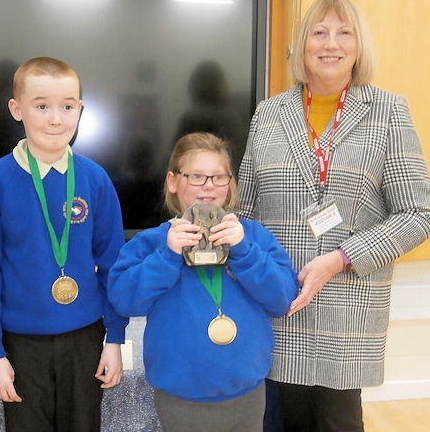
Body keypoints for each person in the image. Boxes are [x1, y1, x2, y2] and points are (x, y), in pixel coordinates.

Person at [237, 0, 430, 431]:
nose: (331, 43)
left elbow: (420, 213)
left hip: (347, 313)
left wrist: (341, 258)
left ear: (359, 45)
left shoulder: (389, 112)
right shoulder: (268, 115)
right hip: (279, 306)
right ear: (302, 45)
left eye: (344, 32)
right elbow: (246, 213)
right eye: (319, 32)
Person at [0, 56, 128, 431]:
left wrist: (115, 338)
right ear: (16, 109)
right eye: (41, 106)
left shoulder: (95, 178)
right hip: (20, 344)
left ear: (80, 110)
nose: (56, 119)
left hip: (85, 339)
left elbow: (114, 265)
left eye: (67, 107)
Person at [108, 132, 299, 432]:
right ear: (173, 182)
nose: (208, 186)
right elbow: (123, 298)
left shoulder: (253, 237)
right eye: (196, 176)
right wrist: (167, 256)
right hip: (181, 399)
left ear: (230, 184)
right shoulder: (153, 242)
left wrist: (244, 252)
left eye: (218, 177)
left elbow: (283, 298)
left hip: (247, 394)